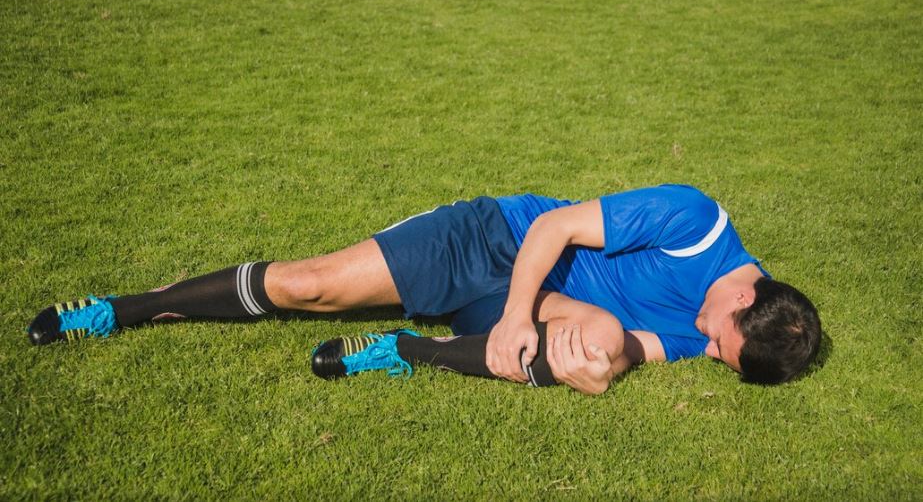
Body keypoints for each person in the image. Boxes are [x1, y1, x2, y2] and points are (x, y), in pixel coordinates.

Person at [27, 184, 822, 394]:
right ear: (745, 300)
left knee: (607, 347)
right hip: (495, 241)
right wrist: (517, 318)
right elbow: (552, 234)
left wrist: (591, 365)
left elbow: (630, 349)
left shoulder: (714, 334)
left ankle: (410, 352)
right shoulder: (694, 222)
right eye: (714, 337)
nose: (698, 340)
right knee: (308, 286)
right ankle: (116, 309)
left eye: (710, 352)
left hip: (541, 309)